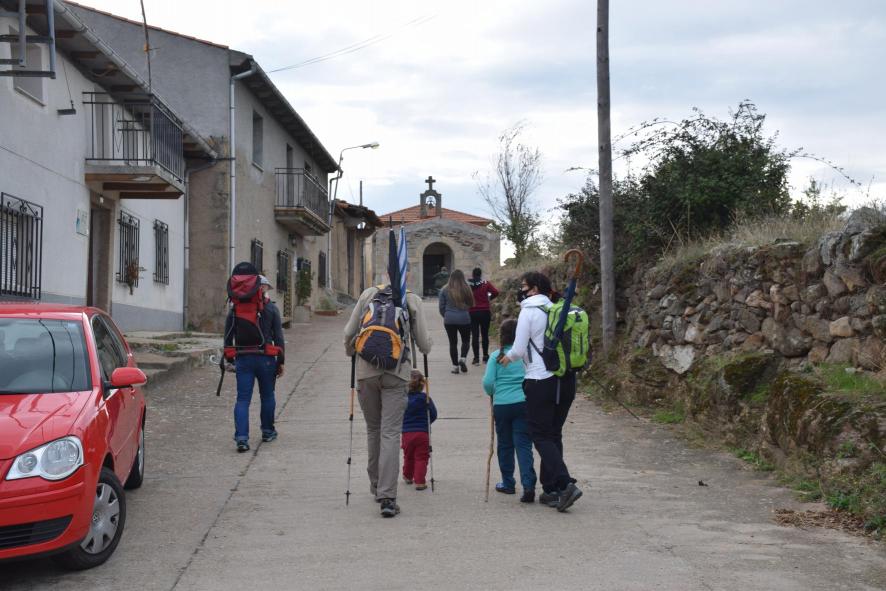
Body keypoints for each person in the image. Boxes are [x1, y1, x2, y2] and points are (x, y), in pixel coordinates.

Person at [344, 278, 431, 518]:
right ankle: (388, 497)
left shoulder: (368, 294)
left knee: (373, 429)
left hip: (366, 371)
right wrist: (427, 346)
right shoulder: (411, 298)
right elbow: (424, 343)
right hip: (396, 372)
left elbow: (349, 332)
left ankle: (375, 486)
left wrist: (351, 351)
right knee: (390, 433)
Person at [498, 272, 582, 512]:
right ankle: (550, 489)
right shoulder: (556, 308)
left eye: (524, 286)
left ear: (534, 289)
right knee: (554, 434)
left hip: (539, 380)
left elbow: (518, 348)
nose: (521, 290)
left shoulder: (529, 311)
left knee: (541, 435)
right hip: (565, 379)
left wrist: (507, 358)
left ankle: (565, 484)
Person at [224, 275, 285, 453]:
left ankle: (242, 439)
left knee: (243, 399)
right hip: (266, 358)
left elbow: (227, 337)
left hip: (243, 358)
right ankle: (267, 431)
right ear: (262, 288)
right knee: (267, 396)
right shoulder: (271, 308)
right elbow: (279, 337)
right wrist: (281, 361)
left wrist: (230, 360)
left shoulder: (235, 308)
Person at [482, 318, 536, 503]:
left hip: (502, 405)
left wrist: (492, 392)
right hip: (523, 402)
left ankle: (508, 482)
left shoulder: (496, 356)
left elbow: (488, 382)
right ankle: (528, 484)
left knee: (505, 444)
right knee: (523, 444)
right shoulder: (525, 355)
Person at [401, 369, 437, 491]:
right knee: (421, 457)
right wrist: (426, 423)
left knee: (408, 456)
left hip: (406, 433)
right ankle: (420, 482)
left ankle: (407, 476)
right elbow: (433, 414)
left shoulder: (403, 399)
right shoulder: (425, 398)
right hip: (422, 433)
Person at [438, 269, 474, 374]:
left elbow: (441, 307)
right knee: (466, 341)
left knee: (453, 343)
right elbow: (471, 303)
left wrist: (446, 315)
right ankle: (462, 358)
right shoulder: (467, 288)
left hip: (449, 319)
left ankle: (455, 367)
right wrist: (464, 310)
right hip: (464, 318)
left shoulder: (444, 289)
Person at [468, 267, 499, 365]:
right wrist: (489, 298)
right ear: (480, 274)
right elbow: (496, 292)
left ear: (473, 274)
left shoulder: (468, 284)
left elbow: (464, 295)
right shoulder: (486, 283)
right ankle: (485, 356)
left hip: (472, 312)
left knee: (475, 335)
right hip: (485, 311)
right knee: (485, 334)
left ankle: (476, 358)